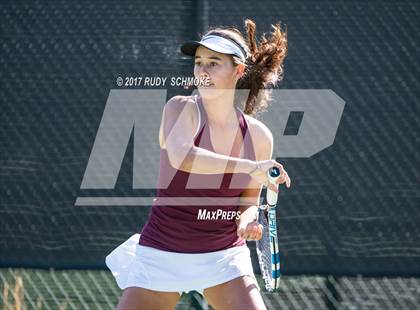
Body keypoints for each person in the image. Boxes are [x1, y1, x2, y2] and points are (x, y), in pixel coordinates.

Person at [106, 19, 290, 310]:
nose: (202, 71)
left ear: (238, 71)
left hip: (224, 256)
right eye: (199, 62)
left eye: (214, 63)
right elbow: (183, 156)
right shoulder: (180, 108)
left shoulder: (258, 136)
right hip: (162, 251)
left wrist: (247, 223)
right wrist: (249, 166)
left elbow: (248, 202)